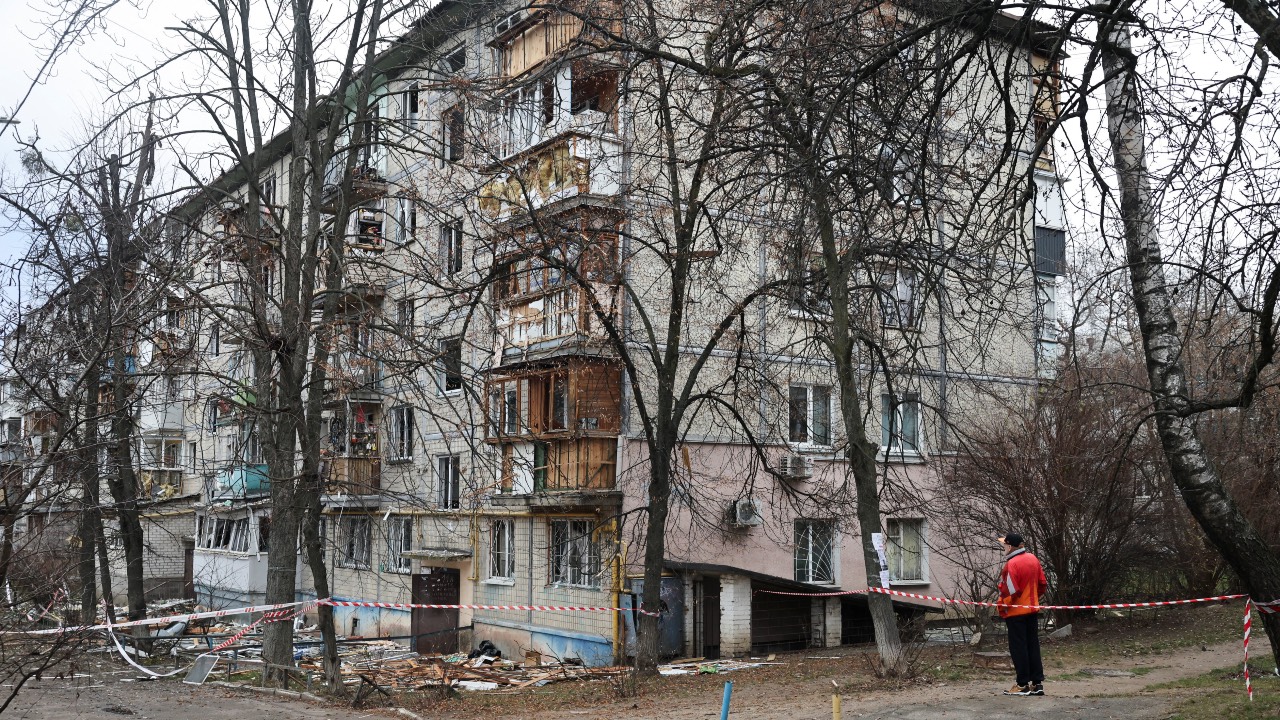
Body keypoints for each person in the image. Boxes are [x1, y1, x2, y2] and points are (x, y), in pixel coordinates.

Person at [997, 532, 1047, 696]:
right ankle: (1037, 683)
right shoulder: (1033, 559)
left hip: (1016, 613)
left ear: (1010, 546)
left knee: (1019, 648)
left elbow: (1010, 592)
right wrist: (1033, 599)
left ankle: (1022, 685)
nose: (1004, 547)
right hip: (1032, 610)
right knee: (1033, 645)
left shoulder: (1011, 564)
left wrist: (1002, 607)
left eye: (1005, 545)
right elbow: (1042, 584)